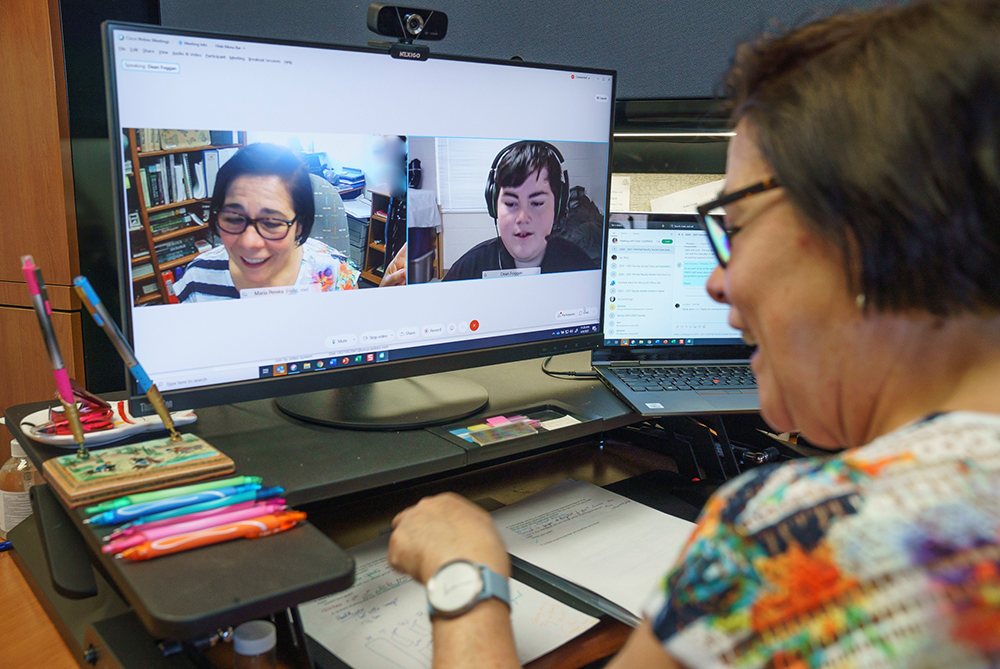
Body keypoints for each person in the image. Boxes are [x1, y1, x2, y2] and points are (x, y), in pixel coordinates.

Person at [386, 1, 1000, 667]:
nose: (718, 282)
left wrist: (466, 569)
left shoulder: (800, 538)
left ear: (862, 235)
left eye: (734, 225)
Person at [173, 143, 405, 302]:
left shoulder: (334, 276)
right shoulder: (197, 277)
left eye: (272, 223)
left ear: (300, 225)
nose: (250, 242)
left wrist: (380, 309)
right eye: (234, 218)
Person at [442, 141, 595, 281]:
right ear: (493, 206)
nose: (522, 218)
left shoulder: (581, 268)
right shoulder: (467, 271)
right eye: (510, 203)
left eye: (536, 203)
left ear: (558, 206)